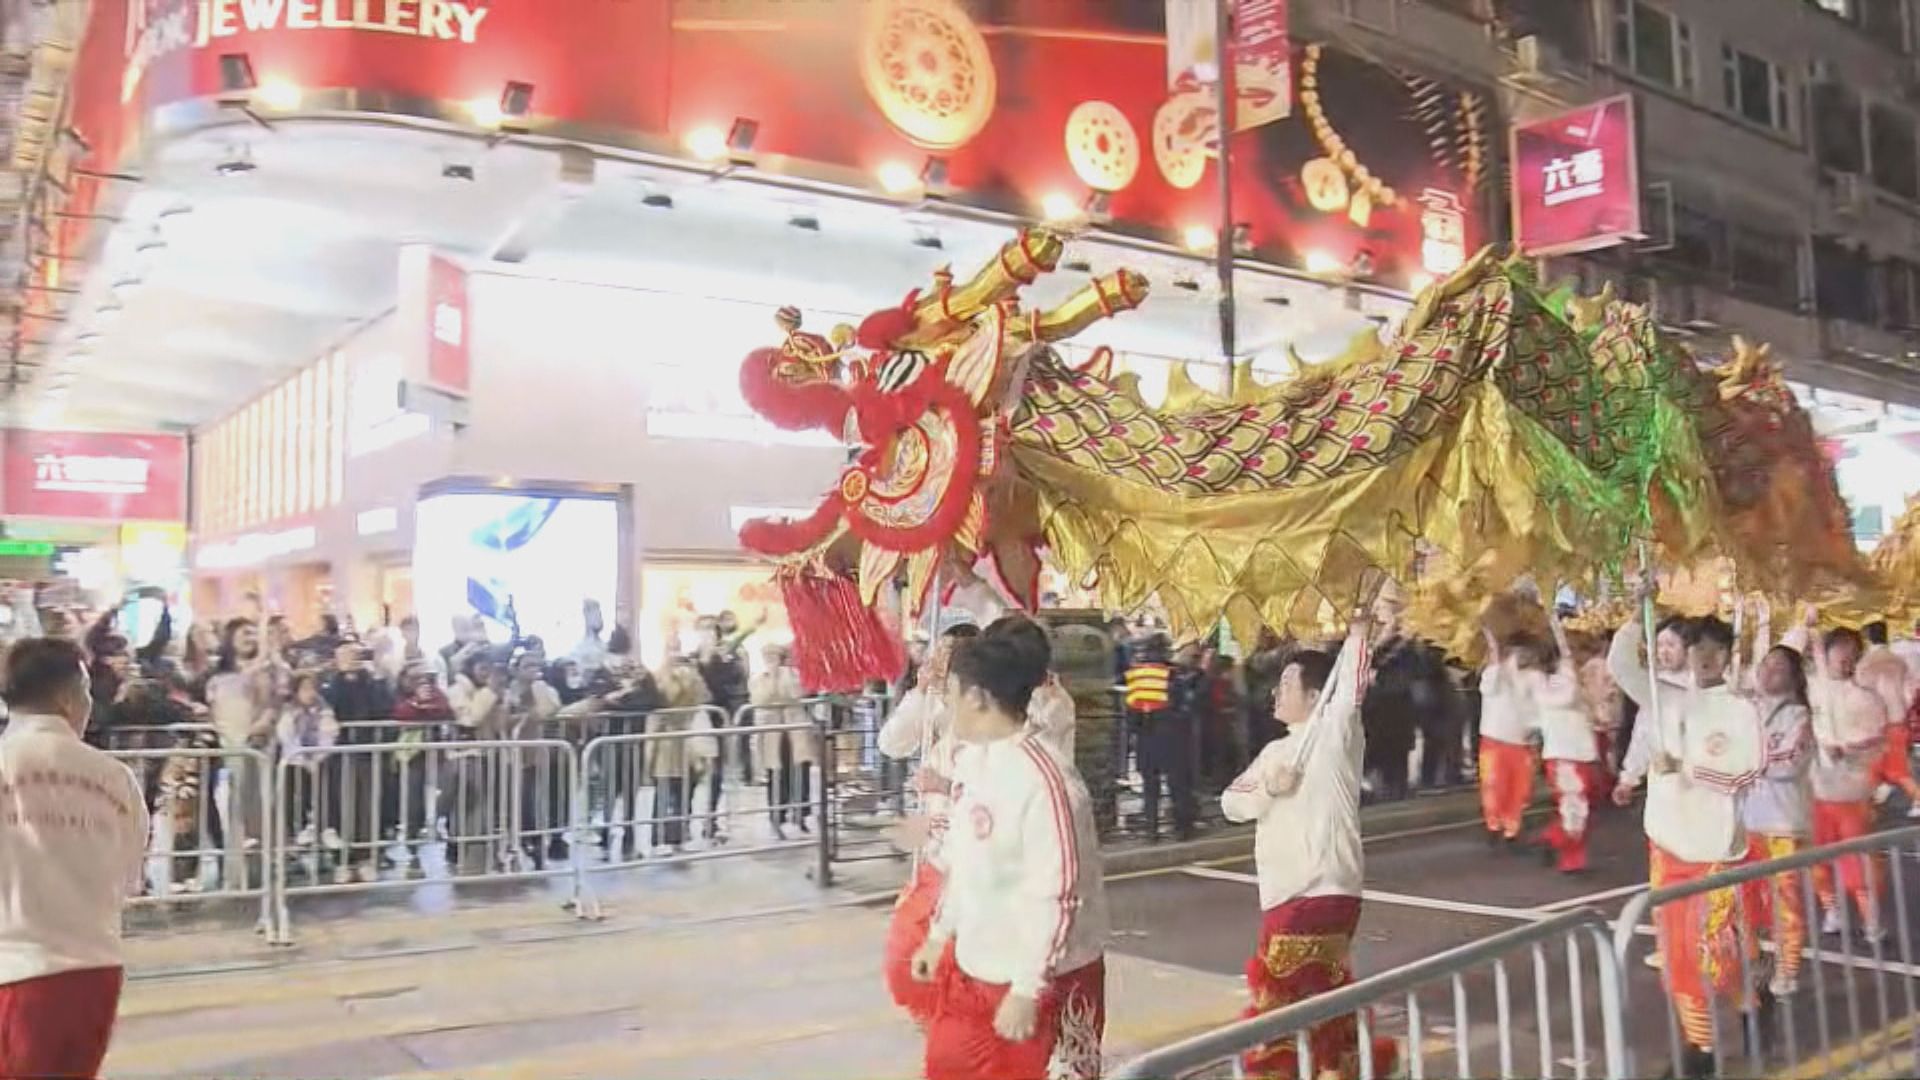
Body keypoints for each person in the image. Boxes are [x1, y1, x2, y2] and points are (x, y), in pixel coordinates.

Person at [909, 617, 1107, 1080]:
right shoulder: (974, 763)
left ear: (977, 697)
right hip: (976, 967)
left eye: (952, 693)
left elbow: (1057, 892)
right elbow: (964, 861)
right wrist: (939, 935)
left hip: (1046, 978)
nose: (947, 704)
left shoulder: (1047, 780)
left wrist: (1027, 987)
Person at [1220, 609, 1397, 1080]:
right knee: (1321, 1001)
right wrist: (1268, 789)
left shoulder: (1335, 737)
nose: (1276, 693)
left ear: (1315, 698)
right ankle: (1336, 1069)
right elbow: (1230, 803)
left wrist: (1359, 636)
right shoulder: (1275, 752)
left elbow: (1350, 691)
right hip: (1294, 894)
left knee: (1278, 1005)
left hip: (1313, 893)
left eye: (1288, 685)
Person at [0, 637, 149, 1080]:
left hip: (15, 968)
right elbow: (130, 872)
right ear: (67, 698)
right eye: (86, 693)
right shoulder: (113, 777)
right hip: (94, 971)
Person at [1644, 616, 1764, 1075]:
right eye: (1698, 649)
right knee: (1677, 954)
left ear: (1728, 656)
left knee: (1716, 953)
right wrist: (1640, 607)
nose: (1706, 658)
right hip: (1668, 848)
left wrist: (1688, 768)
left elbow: (1747, 772)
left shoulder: (1739, 709)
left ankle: (1752, 1006)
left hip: (1713, 851)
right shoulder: (1667, 698)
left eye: (1716, 650)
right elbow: (1622, 665)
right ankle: (1701, 1049)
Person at [878, 622, 979, 1027]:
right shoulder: (936, 704)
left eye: (946, 654)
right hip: (935, 853)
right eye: (936, 653)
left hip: (973, 857)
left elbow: (998, 786)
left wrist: (947, 784)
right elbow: (891, 742)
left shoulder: (991, 711)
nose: (935, 661)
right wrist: (920, 693)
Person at [1787, 617, 1889, 940]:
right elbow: (1790, 649)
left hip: (1850, 794)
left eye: (1851, 656)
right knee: (1817, 859)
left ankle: (1871, 919)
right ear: (1826, 654)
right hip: (1815, 791)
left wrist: (1850, 749)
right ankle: (1832, 910)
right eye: (1840, 655)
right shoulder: (1811, 685)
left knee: (1856, 863)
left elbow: (1878, 740)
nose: (1846, 662)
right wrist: (1807, 624)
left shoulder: (1865, 697)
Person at [1743, 636, 1815, 998]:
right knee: (1746, 902)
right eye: (1766, 665)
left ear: (1793, 677)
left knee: (1785, 901)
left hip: (1784, 824)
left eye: (1779, 668)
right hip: (1746, 823)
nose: (1769, 672)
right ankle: (1754, 963)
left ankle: (1788, 970)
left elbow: (1790, 763)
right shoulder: (1746, 709)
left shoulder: (1799, 716)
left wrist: (1747, 764)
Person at [1526, 613, 1601, 874]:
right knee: (1574, 807)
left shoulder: (1574, 678)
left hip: (1583, 751)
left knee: (1583, 807)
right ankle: (1571, 857)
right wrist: (1569, 670)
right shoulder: (1540, 681)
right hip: (1562, 754)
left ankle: (1551, 839)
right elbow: (1562, 699)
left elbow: (1589, 707)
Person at [1476, 626, 1538, 847]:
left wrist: (1536, 729)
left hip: (1522, 741)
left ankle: (1512, 828)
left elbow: (1538, 707)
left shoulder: (1533, 677)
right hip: (1495, 739)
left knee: (1519, 789)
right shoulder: (1495, 674)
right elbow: (1489, 686)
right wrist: (1493, 650)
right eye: (1519, 652)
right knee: (1494, 786)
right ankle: (1493, 825)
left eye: (1527, 652)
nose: (1524, 656)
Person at [749, 642, 818, 839]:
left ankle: (801, 815)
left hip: (794, 729)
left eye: (774, 656)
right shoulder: (758, 678)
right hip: (773, 732)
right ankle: (777, 817)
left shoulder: (793, 675)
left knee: (800, 773)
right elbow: (761, 698)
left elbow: (797, 693)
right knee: (776, 775)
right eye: (767, 656)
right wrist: (773, 681)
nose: (771, 660)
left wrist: (783, 676)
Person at [1858, 621, 1920, 816]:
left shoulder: (1866, 663)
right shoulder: (1897, 660)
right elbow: (1909, 692)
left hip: (1879, 724)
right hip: (1899, 720)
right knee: (1886, 767)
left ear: (1867, 638)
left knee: (1891, 769)